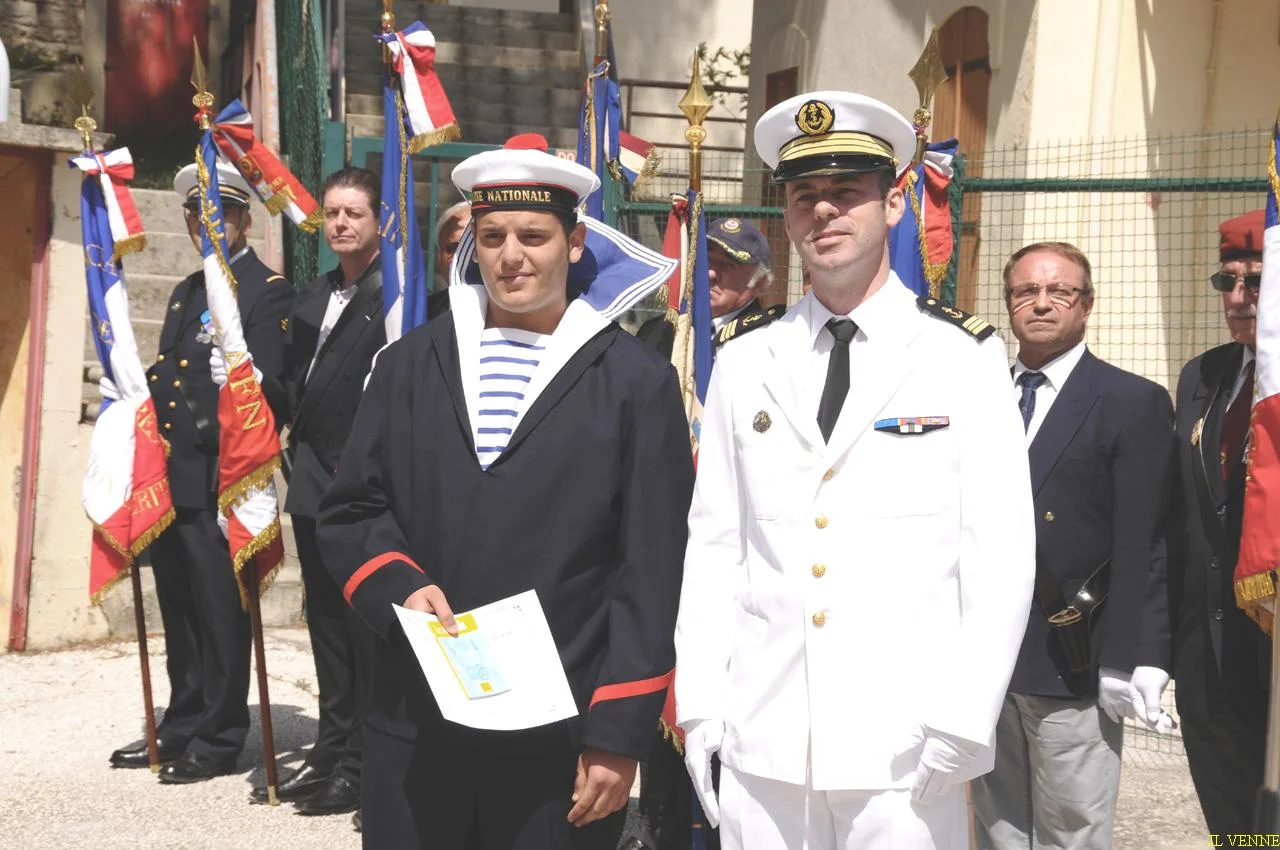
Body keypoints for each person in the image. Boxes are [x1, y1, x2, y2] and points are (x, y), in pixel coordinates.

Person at [673, 90, 1036, 850]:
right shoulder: (745, 360)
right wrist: (703, 703)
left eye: (847, 192)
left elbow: (999, 556)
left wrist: (966, 715)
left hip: (904, 747)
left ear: (894, 203)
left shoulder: (962, 358)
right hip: (765, 736)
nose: (825, 213)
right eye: (806, 195)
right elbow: (715, 548)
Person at [315, 134, 694, 850]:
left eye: (533, 235)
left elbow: (652, 570)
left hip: (561, 738)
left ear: (576, 242)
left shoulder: (636, 384)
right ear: (472, 247)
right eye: (492, 237)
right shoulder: (407, 368)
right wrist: (395, 580)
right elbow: (353, 509)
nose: (511, 255)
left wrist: (618, 732)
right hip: (416, 724)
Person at [969, 242, 1174, 849]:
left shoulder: (1131, 401)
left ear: (1087, 305)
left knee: (1072, 829)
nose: (1041, 302)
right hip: (987, 655)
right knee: (997, 823)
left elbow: (1145, 540)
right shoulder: (978, 394)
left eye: (1059, 291)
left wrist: (1131, 654)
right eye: (1025, 291)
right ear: (1008, 304)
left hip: (1071, 656)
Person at [107, 162, 293, 783]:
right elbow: (169, 380)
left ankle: (219, 737)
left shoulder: (266, 291)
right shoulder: (190, 290)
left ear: (242, 220)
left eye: (218, 214)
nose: (205, 224)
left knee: (220, 613)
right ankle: (181, 720)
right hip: (177, 475)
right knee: (181, 612)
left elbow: (267, 392)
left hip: (224, 479)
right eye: (196, 214)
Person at [255, 166, 385, 815]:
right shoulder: (310, 297)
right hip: (310, 481)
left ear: (379, 221)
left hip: (363, 485)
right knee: (327, 625)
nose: (339, 223)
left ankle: (363, 763)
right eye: (332, 213)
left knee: (364, 628)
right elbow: (289, 389)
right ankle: (332, 748)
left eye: (352, 213)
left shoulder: (395, 299)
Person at [1139, 209, 1271, 834]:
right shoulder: (1204, 374)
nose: (1240, 299)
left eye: (1258, 281)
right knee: (1237, 827)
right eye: (1228, 283)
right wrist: (1155, 650)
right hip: (1210, 661)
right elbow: (1177, 524)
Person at [634, 217, 776, 360]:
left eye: (728, 265)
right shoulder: (658, 331)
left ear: (759, 283)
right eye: (707, 260)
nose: (710, 273)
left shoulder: (767, 342)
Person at [433, 200, 472, 291]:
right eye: (454, 248)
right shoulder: (425, 305)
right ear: (439, 258)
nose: (465, 257)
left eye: (472, 248)